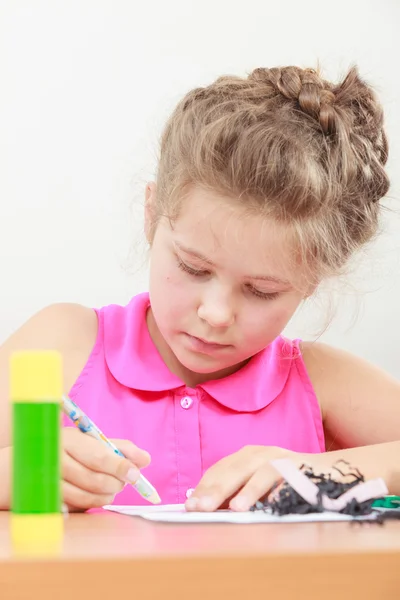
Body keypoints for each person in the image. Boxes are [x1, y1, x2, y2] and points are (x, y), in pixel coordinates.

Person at [1, 65, 399, 514]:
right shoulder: (65, 343)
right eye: (193, 267)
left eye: (262, 291)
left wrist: (325, 470)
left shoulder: (319, 382)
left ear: (314, 279)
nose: (215, 313)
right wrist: (11, 476)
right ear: (152, 214)